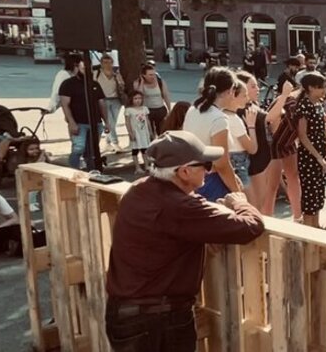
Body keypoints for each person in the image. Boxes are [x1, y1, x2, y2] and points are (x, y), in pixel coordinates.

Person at [105, 131, 265, 351]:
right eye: (206, 165)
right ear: (184, 171)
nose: (209, 171)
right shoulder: (178, 207)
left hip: (125, 315)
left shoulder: (138, 190)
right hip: (158, 322)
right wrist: (240, 202)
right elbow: (251, 226)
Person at [183, 67, 250, 202]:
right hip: (211, 180)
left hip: (192, 177)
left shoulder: (194, 109)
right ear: (228, 91)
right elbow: (221, 163)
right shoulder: (219, 118)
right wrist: (238, 193)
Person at [59, 53, 109, 171]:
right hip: (79, 122)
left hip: (95, 122)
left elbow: (101, 103)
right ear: (77, 68)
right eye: (82, 68)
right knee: (78, 148)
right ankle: (73, 172)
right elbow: (65, 104)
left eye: (88, 68)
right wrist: (71, 122)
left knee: (92, 150)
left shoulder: (94, 84)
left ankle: (92, 172)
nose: (85, 70)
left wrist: (106, 122)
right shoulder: (68, 84)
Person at [293, 73, 326, 226]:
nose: (324, 90)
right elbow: (302, 135)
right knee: (310, 195)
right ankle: (310, 228)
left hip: (320, 151)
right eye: (320, 87)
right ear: (310, 88)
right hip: (309, 155)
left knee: (318, 193)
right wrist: (318, 157)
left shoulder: (318, 104)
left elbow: (322, 130)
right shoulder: (304, 105)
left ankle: (316, 225)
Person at [236, 72, 277, 215]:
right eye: (253, 86)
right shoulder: (242, 110)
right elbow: (270, 117)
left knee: (259, 203)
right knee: (255, 206)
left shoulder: (252, 105)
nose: (258, 89)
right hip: (253, 162)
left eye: (257, 86)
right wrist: (284, 96)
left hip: (261, 158)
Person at [130, 62, 172, 136]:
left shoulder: (160, 81)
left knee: (162, 132)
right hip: (147, 110)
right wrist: (142, 83)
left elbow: (166, 95)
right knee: (149, 133)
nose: (153, 76)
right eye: (150, 75)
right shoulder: (138, 83)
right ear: (143, 75)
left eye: (154, 74)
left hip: (160, 109)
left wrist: (169, 109)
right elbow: (139, 96)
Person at [95, 54, 126, 151]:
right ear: (101, 64)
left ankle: (108, 142)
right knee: (110, 122)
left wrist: (119, 81)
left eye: (109, 62)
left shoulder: (116, 74)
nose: (108, 65)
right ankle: (116, 143)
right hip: (103, 100)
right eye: (105, 63)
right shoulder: (97, 73)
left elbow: (122, 85)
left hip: (116, 100)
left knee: (113, 123)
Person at [124, 91, 154, 174]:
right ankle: (137, 167)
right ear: (131, 99)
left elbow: (147, 120)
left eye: (140, 98)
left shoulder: (145, 108)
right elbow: (127, 122)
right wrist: (130, 133)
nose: (138, 100)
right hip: (135, 132)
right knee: (135, 150)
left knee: (145, 149)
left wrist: (151, 131)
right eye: (135, 98)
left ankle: (146, 165)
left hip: (144, 132)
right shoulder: (129, 110)